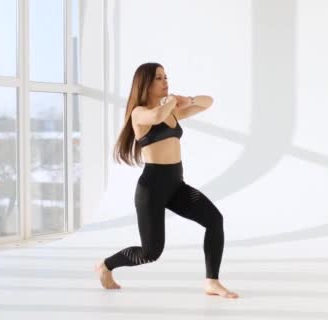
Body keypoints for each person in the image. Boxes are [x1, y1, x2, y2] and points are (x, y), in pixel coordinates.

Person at [95, 62, 239, 299]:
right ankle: (106, 265)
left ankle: (212, 282)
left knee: (215, 220)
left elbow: (208, 101)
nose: (165, 82)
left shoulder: (172, 110)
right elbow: (157, 114)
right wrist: (172, 100)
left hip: (176, 186)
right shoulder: (139, 113)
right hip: (151, 188)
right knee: (150, 252)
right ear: (146, 84)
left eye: (166, 77)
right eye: (159, 78)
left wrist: (188, 99)